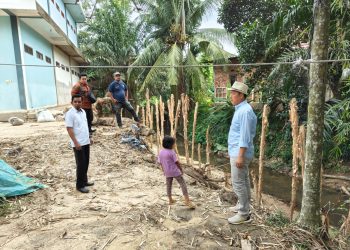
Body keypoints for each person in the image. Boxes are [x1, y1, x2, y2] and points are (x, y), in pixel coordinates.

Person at [227, 81, 257, 224]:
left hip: (240, 154)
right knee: (244, 181)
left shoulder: (245, 111)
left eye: (233, 93)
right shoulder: (241, 109)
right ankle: (242, 206)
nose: (231, 96)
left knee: (238, 183)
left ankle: (243, 214)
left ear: (240, 95)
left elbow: (244, 136)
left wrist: (239, 156)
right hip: (239, 152)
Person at [65, 94, 94, 193]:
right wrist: (75, 142)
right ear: (72, 102)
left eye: (79, 101)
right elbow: (69, 129)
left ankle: (84, 181)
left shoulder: (83, 112)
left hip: (85, 141)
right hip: (78, 143)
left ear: (82, 102)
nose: (77, 103)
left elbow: (85, 126)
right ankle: (79, 185)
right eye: (75, 102)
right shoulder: (70, 114)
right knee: (80, 164)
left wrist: (89, 137)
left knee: (86, 162)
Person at [158, 136, 195, 208]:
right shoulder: (172, 152)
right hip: (175, 172)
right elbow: (177, 162)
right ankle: (187, 200)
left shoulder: (161, 152)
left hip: (167, 172)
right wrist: (181, 169)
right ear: (170, 144)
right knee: (182, 184)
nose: (174, 145)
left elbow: (160, 163)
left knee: (169, 185)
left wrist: (164, 170)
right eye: (174, 143)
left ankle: (170, 200)